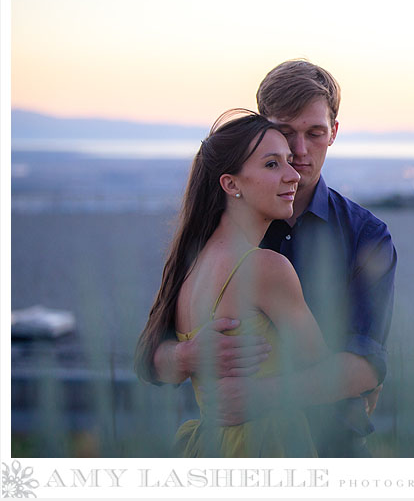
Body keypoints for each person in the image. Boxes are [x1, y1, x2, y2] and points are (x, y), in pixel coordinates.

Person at [144, 60, 397, 457]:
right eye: (283, 134)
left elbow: (365, 364)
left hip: (334, 445)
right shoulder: (212, 239)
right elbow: (151, 358)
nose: (298, 153)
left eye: (314, 133)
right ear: (261, 129)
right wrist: (189, 354)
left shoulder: (366, 235)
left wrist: (260, 395)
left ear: (333, 133)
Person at [135, 110, 330, 457]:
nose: (292, 175)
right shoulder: (266, 268)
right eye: (272, 165)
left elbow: (154, 357)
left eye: (288, 161)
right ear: (231, 184)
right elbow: (324, 370)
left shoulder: (190, 265)